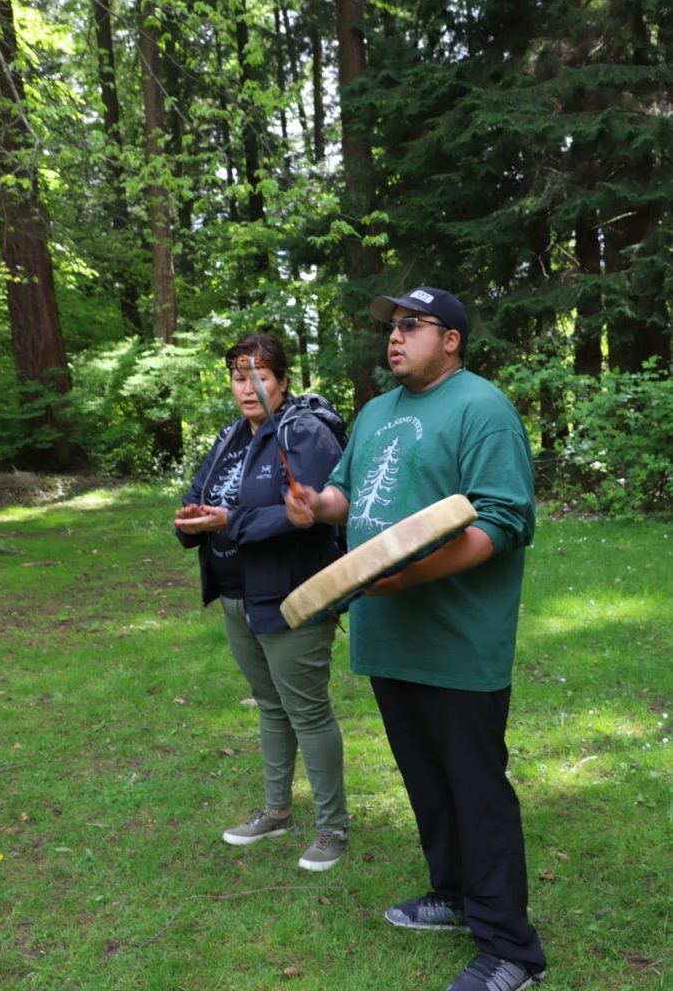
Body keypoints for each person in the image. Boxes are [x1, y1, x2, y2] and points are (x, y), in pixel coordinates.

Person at [285, 288, 547, 988]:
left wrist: (413, 576)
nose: (394, 338)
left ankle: (511, 949)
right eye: (391, 328)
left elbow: (504, 521)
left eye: (411, 326)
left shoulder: (482, 408)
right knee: (428, 782)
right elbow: (346, 493)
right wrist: (316, 506)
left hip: (457, 641)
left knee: (476, 790)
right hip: (387, 636)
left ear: (451, 339)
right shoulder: (375, 411)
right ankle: (454, 894)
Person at [175, 332, 349, 872]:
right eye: (237, 377)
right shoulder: (231, 435)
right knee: (270, 704)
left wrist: (231, 520)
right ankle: (276, 810)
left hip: (291, 594)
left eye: (259, 377)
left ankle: (332, 827)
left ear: (281, 380)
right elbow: (199, 491)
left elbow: (308, 512)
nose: (247, 388)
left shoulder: (306, 433)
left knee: (307, 709)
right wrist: (189, 520)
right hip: (237, 595)